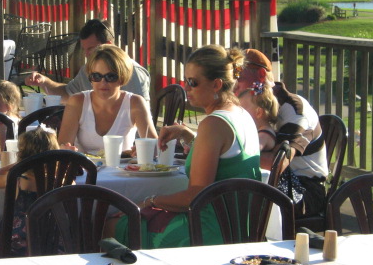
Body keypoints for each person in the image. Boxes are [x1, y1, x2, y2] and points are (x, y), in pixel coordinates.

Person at [108, 45, 261, 249]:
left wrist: (149, 200)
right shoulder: (241, 115)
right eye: (185, 81)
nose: (186, 88)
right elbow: (227, 152)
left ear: (216, 84)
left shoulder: (213, 124)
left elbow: (196, 195)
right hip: (241, 226)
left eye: (192, 82)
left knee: (112, 224)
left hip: (210, 230)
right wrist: (187, 135)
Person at [234, 49, 328, 216]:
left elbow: (277, 164)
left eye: (238, 78)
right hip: (275, 183)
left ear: (261, 75)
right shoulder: (247, 105)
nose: (233, 86)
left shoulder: (294, 110)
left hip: (304, 192)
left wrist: (226, 157)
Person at [57, 45, 156, 155]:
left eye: (111, 77)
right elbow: (63, 146)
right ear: (90, 78)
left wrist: (143, 150)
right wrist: (66, 149)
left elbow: (154, 146)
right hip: (84, 169)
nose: (103, 83)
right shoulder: (77, 102)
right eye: (96, 76)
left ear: (122, 78)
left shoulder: (135, 103)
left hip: (123, 170)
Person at [25, 19, 150, 103]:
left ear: (108, 44)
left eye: (91, 49)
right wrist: (44, 81)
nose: (87, 54)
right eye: (84, 49)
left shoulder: (133, 72)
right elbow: (68, 93)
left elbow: (142, 123)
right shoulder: (88, 69)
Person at [0, 127, 60, 255]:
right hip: (53, 240)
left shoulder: (19, 179)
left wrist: (17, 165)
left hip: (19, 241)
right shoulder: (62, 180)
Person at [238, 80, 279, 152]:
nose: (238, 113)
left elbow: (251, 151)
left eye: (242, 109)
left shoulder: (265, 133)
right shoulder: (259, 130)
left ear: (259, 112)